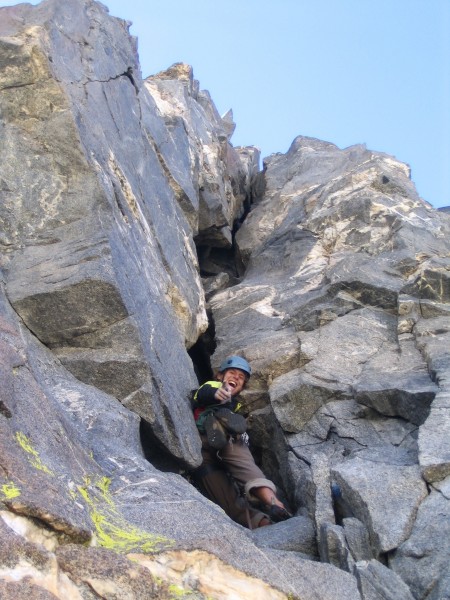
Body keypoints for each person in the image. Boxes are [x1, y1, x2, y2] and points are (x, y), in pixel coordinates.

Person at [192, 355, 292, 529]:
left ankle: (271, 510)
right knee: (225, 486)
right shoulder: (212, 386)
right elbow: (201, 395)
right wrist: (217, 394)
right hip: (204, 445)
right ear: (219, 376)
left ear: (243, 387)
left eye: (241, 378)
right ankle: (265, 518)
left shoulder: (236, 406)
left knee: (234, 467)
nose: (236, 378)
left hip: (218, 448)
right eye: (232, 373)